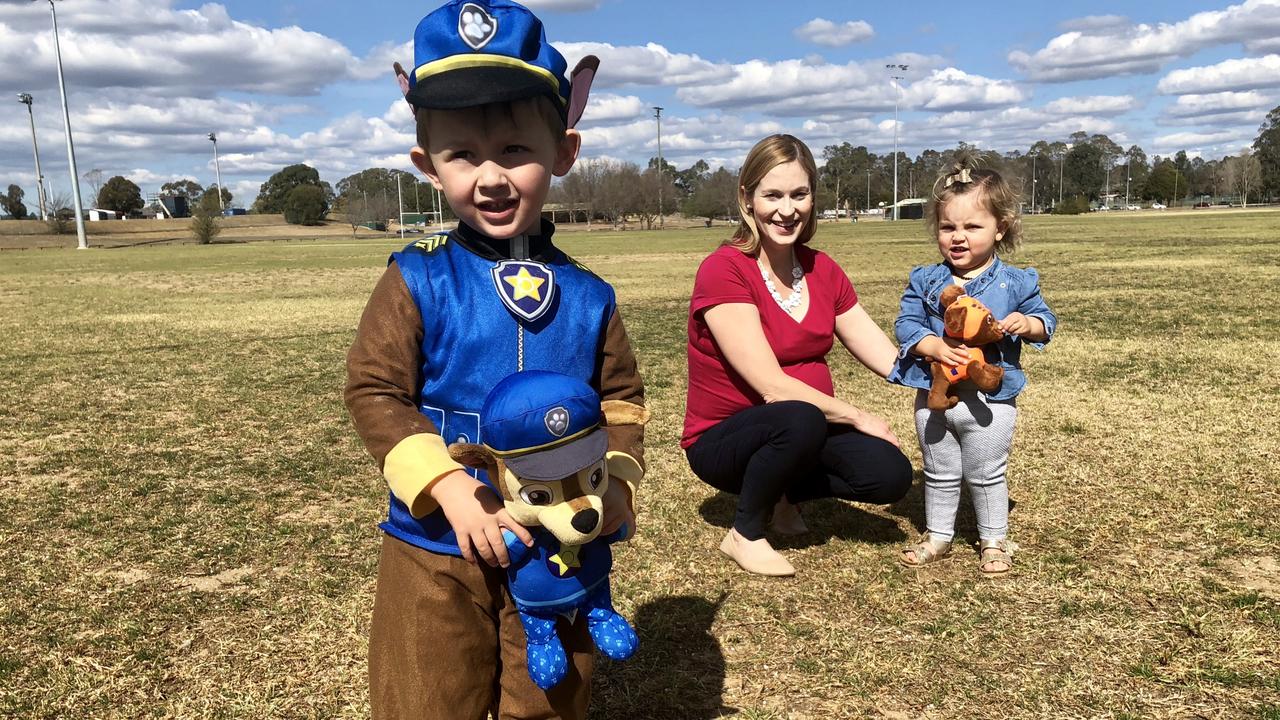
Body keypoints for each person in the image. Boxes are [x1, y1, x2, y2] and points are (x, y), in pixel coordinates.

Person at [344, 1, 645, 717]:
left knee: (550, 701)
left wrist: (620, 488)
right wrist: (446, 485)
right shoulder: (415, 278)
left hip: (558, 554)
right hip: (434, 545)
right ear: (427, 164)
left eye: (516, 150)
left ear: (563, 153)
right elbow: (374, 390)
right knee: (423, 696)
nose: (491, 176)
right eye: (462, 154)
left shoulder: (591, 295)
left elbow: (622, 400)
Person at [682, 134, 913, 578]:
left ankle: (782, 494)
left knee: (890, 475)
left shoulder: (821, 268)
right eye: (773, 195)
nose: (787, 210)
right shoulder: (724, 269)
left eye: (799, 194)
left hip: (801, 430)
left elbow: (884, 354)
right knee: (799, 413)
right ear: (747, 198)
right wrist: (858, 416)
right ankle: (745, 533)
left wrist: (939, 367)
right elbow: (771, 385)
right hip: (724, 441)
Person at [889, 156, 1057, 576]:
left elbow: (1046, 321)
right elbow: (906, 322)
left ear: (1000, 228)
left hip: (991, 398)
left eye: (972, 227)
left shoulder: (1017, 282)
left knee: (986, 472)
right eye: (948, 228)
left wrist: (1028, 324)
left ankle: (994, 539)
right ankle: (939, 536)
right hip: (936, 396)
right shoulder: (926, 280)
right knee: (939, 469)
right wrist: (932, 346)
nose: (958, 237)